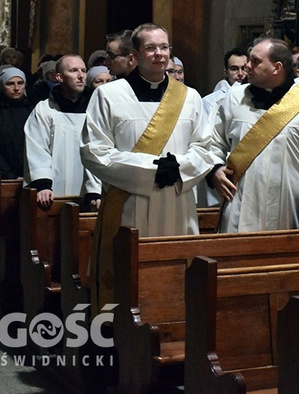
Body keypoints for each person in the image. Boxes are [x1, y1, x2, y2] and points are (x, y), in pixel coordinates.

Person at [82, 23, 215, 307]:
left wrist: (177, 169)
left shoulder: (189, 97)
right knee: (127, 281)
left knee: (175, 279)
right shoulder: (109, 95)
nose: (159, 54)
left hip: (177, 203)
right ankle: (119, 335)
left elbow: (205, 148)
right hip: (129, 203)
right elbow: (95, 151)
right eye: (151, 48)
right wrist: (156, 169)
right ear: (135, 55)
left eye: (164, 47)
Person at [208, 37, 299, 245]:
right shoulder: (234, 97)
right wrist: (215, 169)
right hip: (239, 205)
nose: (247, 67)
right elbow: (213, 141)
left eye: (255, 61)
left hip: (287, 210)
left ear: (277, 67)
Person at [24, 55, 100, 209]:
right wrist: (43, 184)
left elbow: (100, 149)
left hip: (89, 193)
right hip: (52, 192)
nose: (80, 76)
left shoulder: (96, 109)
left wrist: (95, 189)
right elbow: (37, 148)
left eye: (83, 71)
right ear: (59, 77)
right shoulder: (45, 110)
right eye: (73, 71)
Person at [0, 68, 33, 179]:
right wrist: (8, 174)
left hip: (32, 175)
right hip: (3, 178)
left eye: (20, 83)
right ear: (1, 86)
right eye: (10, 84)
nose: (16, 88)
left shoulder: (33, 111)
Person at [203, 48, 248, 113]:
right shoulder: (210, 101)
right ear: (226, 72)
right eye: (234, 69)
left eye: (244, 68)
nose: (240, 73)